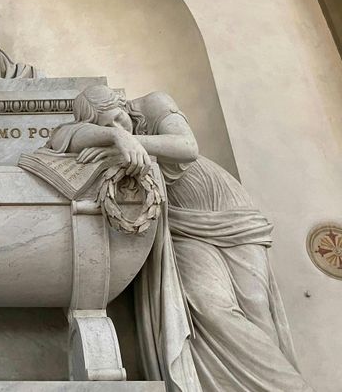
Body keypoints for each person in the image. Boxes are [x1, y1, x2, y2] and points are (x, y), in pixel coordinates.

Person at [45, 85, 312, 392]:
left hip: (228, 210)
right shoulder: (107, 137)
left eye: (119, 118)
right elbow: (61, 138)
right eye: (108, 125)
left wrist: (130, 141)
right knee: (210, 307)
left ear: (123, 103)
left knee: (257, 310)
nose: (119, 126)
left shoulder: (153, 104)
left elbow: (186, 146)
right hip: (179, 225)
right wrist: (115, 137)